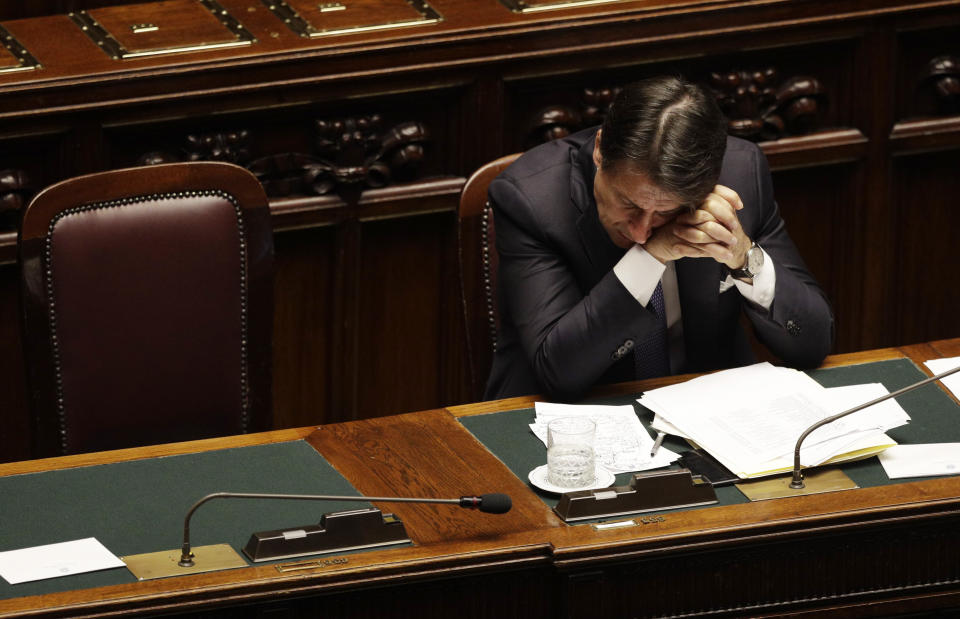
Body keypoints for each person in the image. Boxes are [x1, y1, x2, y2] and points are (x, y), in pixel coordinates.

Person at [484, 76, 833, 401]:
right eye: (628, 204)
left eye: (665, 212)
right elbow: (557, 370)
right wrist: (649, 257)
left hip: (704, 414)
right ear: (600, 151)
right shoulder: (531, 199)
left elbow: (814, 342)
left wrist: (743, 257)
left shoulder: (742, 172)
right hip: (567, 417)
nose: (640, 231)